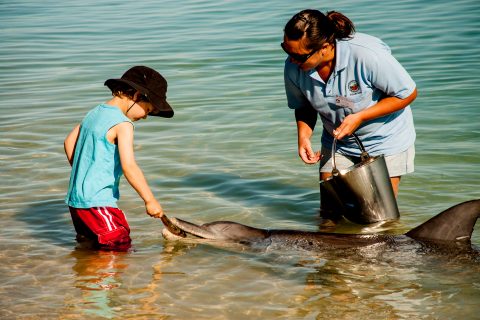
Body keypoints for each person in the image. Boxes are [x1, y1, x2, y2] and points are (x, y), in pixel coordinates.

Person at [282, 9, 417, 220]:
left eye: (298, 55)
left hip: (385, 141)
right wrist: (303, 136)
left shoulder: (366, 55)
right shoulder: (293, 67)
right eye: (286, 50)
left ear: (325, 48)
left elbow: (406, 94)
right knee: (329, 215)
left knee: (378, 219)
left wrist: (361, 116)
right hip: (338, 143)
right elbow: (304, 106)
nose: (291, 60)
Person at [64, 66, 174, 251]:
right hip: (98, 202)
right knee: (119, 248)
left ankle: (90, 279)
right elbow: (129, 166)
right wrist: (150, 200)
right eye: (148, 110)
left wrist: (86, 174)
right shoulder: (123, 124)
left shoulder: (94, 112)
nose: (146, 117)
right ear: (138, 96)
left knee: (91, 249)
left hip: (77, 203)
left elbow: (68, 142)